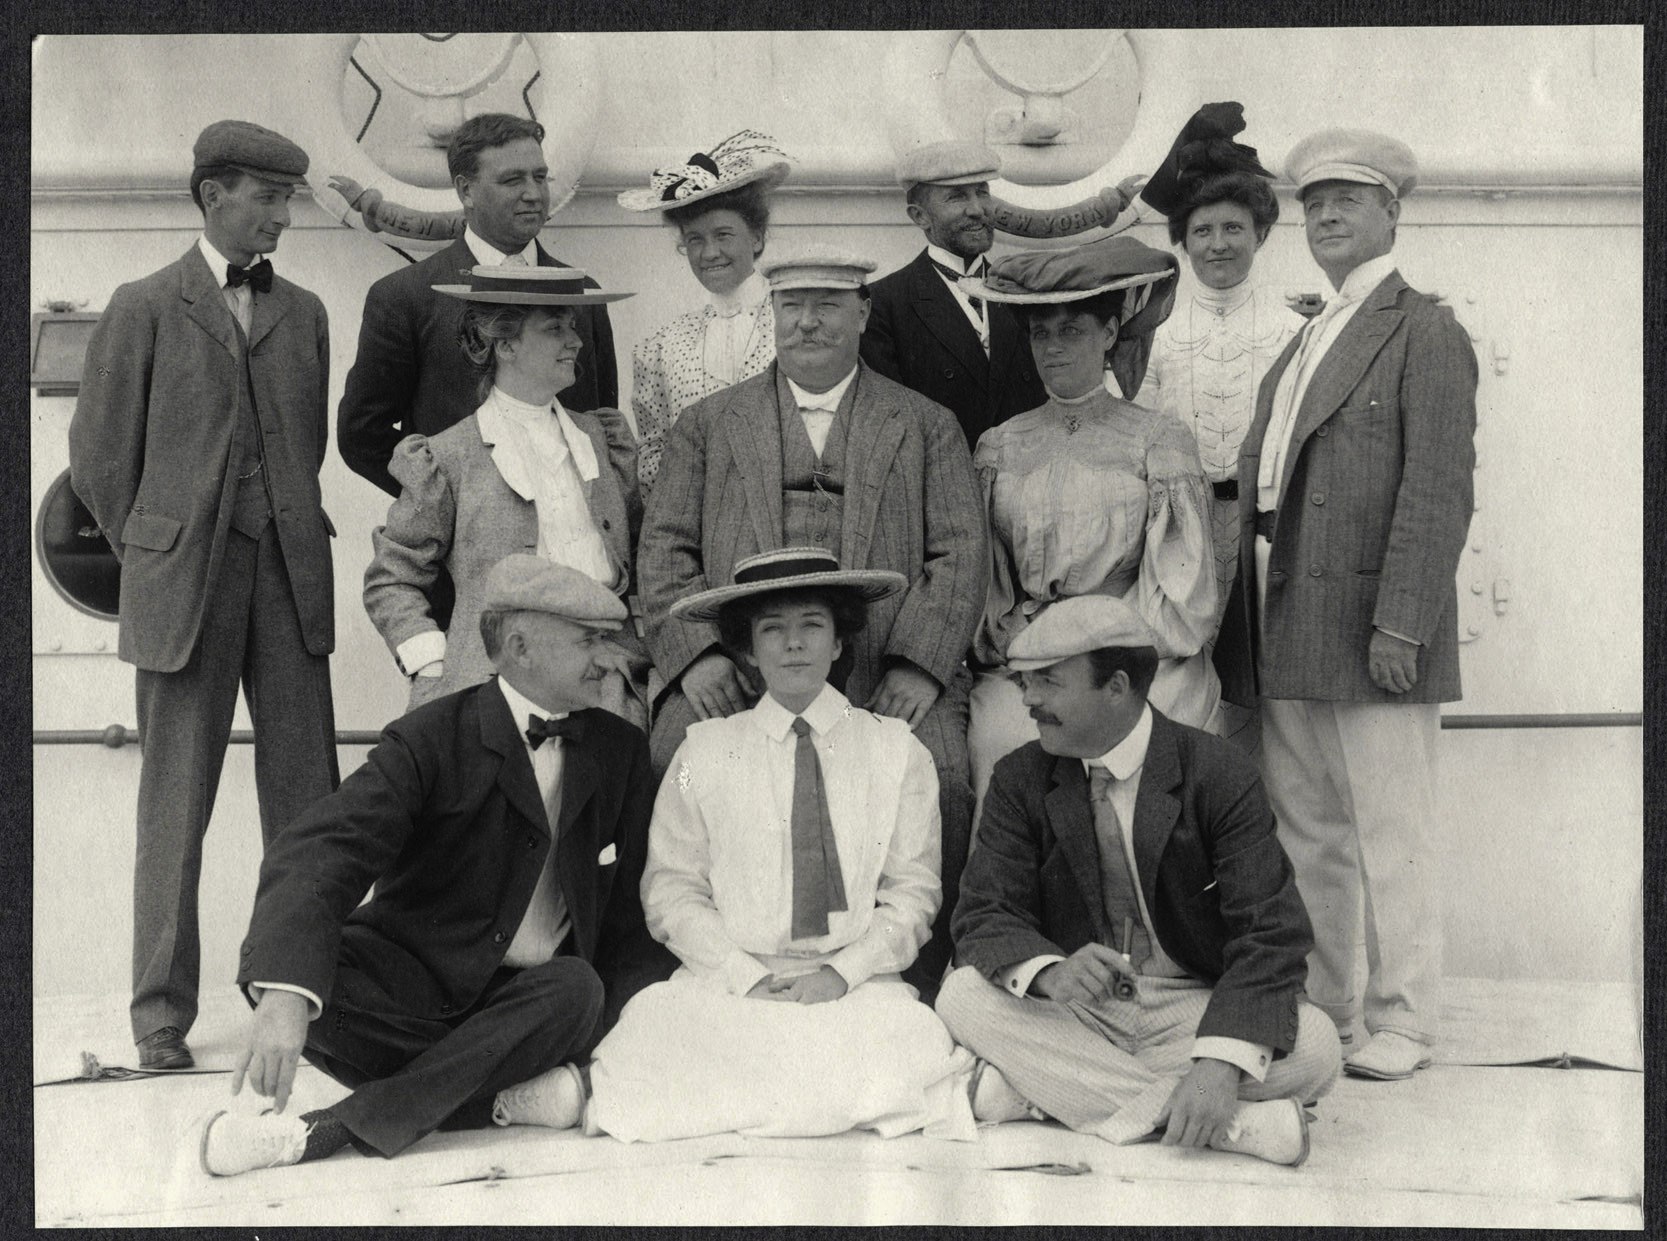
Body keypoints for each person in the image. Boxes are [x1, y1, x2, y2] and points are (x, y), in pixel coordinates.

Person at [193, 556, 676, 1177]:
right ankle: (502, 1097)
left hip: (531, 1006)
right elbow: (322, 851)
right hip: (413, 992)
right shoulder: (427, 739)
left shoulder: (622, 751)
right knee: (306, 976)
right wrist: (286, 993)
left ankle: (324, 1131)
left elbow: (630, 921)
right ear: (521, 646)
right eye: (589, 640)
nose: (609, 659)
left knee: (579, 987)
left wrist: (615, 1042)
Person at [637, 245, 986, 1002]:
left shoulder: (925, 424)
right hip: (746, 662)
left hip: (883, 662)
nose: (808, 321)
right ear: (773, 316)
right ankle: (707, 967)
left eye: (828, 304)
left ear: (863, 314)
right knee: (672, 753)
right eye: (792, 305)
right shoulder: (707, 425)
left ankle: (917, 979)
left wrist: (918, 666)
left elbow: (959, 553)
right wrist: (697, 658)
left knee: (945, 769)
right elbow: (662, 550)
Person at [68, 120, 340, 1072]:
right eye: (267, 198)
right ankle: (157, 1016)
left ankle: (295, 997)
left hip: (290, 578)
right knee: (174, 804)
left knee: (310, 803)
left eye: (289, 199)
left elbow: (300, 448)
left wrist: (277, 520)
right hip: (184, 584)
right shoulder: (142, 304)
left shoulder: (304, 312)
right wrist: (168, 539)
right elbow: (100, 462)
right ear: (211, 195)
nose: (281, 217)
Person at [542, 548, 976, 1143]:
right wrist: (741, 973)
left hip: (853, 988)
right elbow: (672, 889)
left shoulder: (899, 752)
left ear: (840, 641)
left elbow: (914, 895)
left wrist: (842, 973)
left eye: (812, 626)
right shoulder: (701, 753)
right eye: (773, 630)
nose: (794, 645)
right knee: (655, 1020)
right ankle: (827, 1098)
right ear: (746, 649)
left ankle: (617, 1095)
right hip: (732, 986)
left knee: (911, 1035)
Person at [1213, 129, 1477, 1081]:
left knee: (1392, 829)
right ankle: (1325, 1008)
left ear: (1391, 214)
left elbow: (1437, 490)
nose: (1325, 216)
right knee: (1309, 828)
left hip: (1373, 626)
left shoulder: (1425, 328)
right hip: (1287, 615)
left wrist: (1401, 621)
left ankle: (1404, 1016)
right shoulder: (1306, 333)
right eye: (1314, 202)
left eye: (1348, 201)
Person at [936, 595, 1341, 1165]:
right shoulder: (1019, 777)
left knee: (1319, 1046)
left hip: (1191, 1007)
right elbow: (983, 913)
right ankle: (1233, 1126)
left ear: (1118, 686)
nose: (1028, 702)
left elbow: (1272, 933)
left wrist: (1219, 1061)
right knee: (961, 995)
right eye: (1025, 683)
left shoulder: (1217, 773)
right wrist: (1051, 972)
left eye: (1047, 683)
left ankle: (1039, 1096)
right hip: (1080, 1011)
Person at [959, 235, 1219, 809]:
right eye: (1040, 333)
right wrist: (1027, 641)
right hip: (1032, 650)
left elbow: (1181, 586)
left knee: (1148, 749)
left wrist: (1102, 642)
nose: (1053, 348)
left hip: (1132, 649)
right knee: (1004, 736)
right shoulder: (1000, 445)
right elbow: (990, 583)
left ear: (1108, 334)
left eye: (1071, 330)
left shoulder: (1157, 439)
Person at [362, 264, 646, 726]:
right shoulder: (447, 457)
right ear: (506, 344)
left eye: (573, 326)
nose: (574, 341)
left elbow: (644, 553)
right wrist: (434, 661)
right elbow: (391, 576)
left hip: (608, 679)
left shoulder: (603, 439)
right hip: (492, 688)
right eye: (555, 328)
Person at [337, 112, 619, 500]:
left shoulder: (585, 294)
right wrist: (446, 504)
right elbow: (362, 437)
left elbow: (600, 422)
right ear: (465, 190)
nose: (534, 194)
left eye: (540, 177)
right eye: (512, 180)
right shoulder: (406, 297)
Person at [1136, 103, 1305, 633]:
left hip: (1269, 529)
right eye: (1202, 231)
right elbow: (1137, 440)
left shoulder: (1294, 329)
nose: (1218, 244)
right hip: (1179, 529)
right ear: (1183, 244)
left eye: (1233, 227)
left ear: (1260, 235)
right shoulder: (1155, 334)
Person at [616, 130, 791, 495]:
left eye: (723, 235)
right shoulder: (662, 348)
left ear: (757, 238)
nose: (709, 252)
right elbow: (652, 456)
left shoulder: (794, 325)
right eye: (695, 239)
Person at [860, 139, 1044, 453]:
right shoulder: (883, 304)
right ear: (919, 216)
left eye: (982, 192)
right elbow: (891, 430)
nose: (976, 209)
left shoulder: (1027, 290)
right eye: (957, 197)